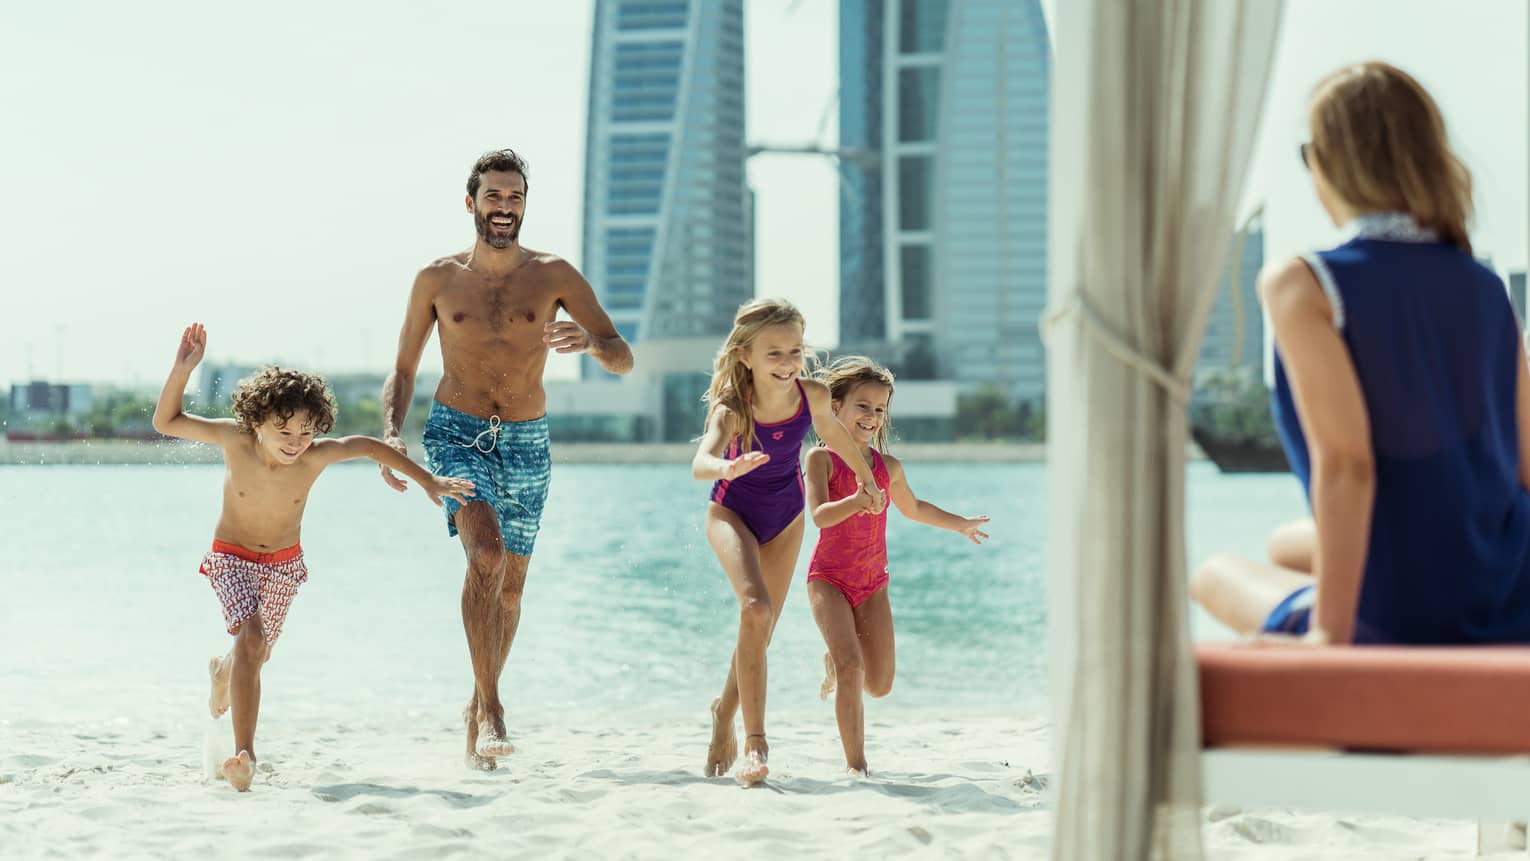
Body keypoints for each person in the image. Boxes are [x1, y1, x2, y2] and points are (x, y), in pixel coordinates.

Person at [1191, 61, 1530, 646]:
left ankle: (1333, 612)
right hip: (1511, 584)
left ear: (1330, 162)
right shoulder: (1485, 286)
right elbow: (1525, 467)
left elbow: (1349, 465)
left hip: (1410, 609)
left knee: (1214, 574)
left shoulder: (1305, 285)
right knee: (1284, 545)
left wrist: (1330, 634)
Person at [380, 149, 633, 770]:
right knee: (485, 555)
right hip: (456, 433)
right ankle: (493, 708)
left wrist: (590, 343)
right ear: (471, 202)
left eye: (514, 197)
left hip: (527, 441)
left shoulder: (554, 275)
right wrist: (391, 434)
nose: (504, 207)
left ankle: (476, 704)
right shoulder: (437, 279)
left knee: (511, 592)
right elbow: (404, 370)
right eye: (493, 196)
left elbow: (622, 356)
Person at [152, 323, 474, 792]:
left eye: (305, 432)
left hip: (283, 564)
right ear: (256, 423)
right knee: (253, 638)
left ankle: (223, 672)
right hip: (232, 557)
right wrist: (183, 369)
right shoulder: (234, 439)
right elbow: (166, 422)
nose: (295, 441)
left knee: (257, 652)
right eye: (283, 431)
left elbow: (366, 446)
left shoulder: (313, 456)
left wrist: (428, 480)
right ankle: (246, 756)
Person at [691, 298, 885, 785]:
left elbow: (836, 437)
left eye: (794, 351)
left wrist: (866, 480)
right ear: (746, 356)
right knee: (754, 608)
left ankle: (723, 714)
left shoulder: (812, 395)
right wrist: (727, 466)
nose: (787, 362)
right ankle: (755, 745)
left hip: (785, 520)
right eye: (773, 353)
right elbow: (701, 461)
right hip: (730, 513)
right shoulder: (733, 408)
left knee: (761, 628)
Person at [804, 357, 990, 776]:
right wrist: (856, 500)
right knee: (852, 668)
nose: (871, 416)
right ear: (835, 407)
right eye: (862, 406)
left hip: (873, 583)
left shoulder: (889, 468)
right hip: (828, 580)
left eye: (879, 409)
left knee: (879, 685)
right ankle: (857, 768)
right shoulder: (822, 459)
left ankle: (836, 658)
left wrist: (960, 524)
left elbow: (915, 507)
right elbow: (819, 516)